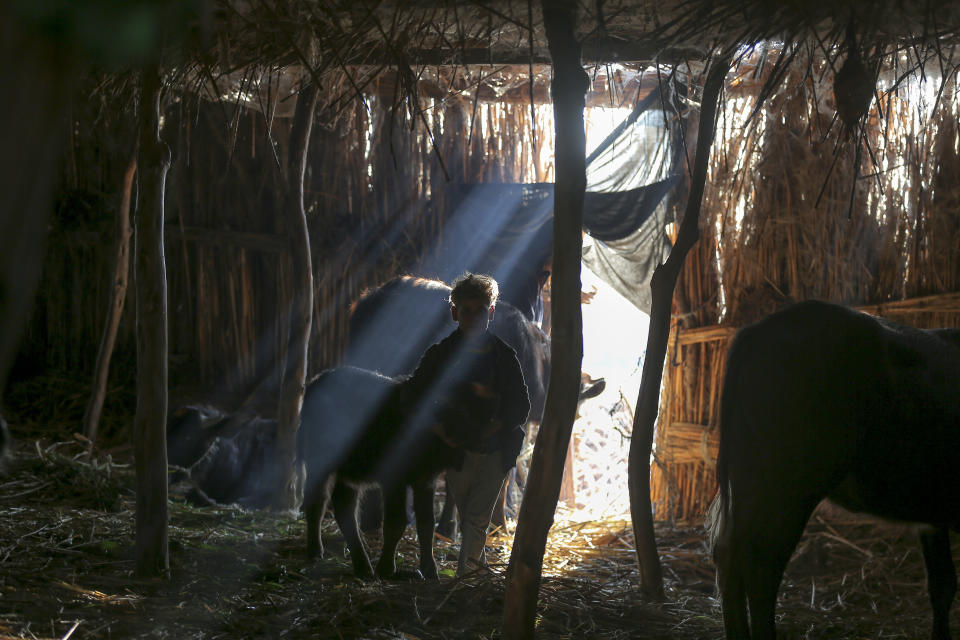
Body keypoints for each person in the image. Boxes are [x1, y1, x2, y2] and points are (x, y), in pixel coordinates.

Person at [406, 272, 530, 576]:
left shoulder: (504, 357)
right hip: (456, 449)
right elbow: (411, 397)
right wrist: (439, 431)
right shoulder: (441, 355)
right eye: (466, 310)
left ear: (491, 312)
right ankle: (479, 573)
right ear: (454, 313)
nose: (473, 317)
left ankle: (465, 583)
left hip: (495, 449)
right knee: (468, 515)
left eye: (480, 310)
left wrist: (497, 422)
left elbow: (522, 405)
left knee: (475, 518)